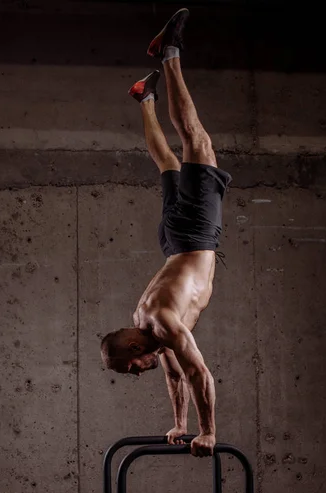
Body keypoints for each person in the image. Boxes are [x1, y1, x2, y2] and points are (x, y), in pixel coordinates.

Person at [101, 8, 231, 457]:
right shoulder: (148, 329)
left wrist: (207, 431)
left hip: (193, 237)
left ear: (133, 344)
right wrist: (180, 425)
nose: (141, 371)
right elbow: (175, 374)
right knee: (169, 165)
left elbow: (198, 374)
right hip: (175, 242)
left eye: (134, 366)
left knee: (197, 142)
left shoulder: (159, 323)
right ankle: (145, 97)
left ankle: (169, 53)